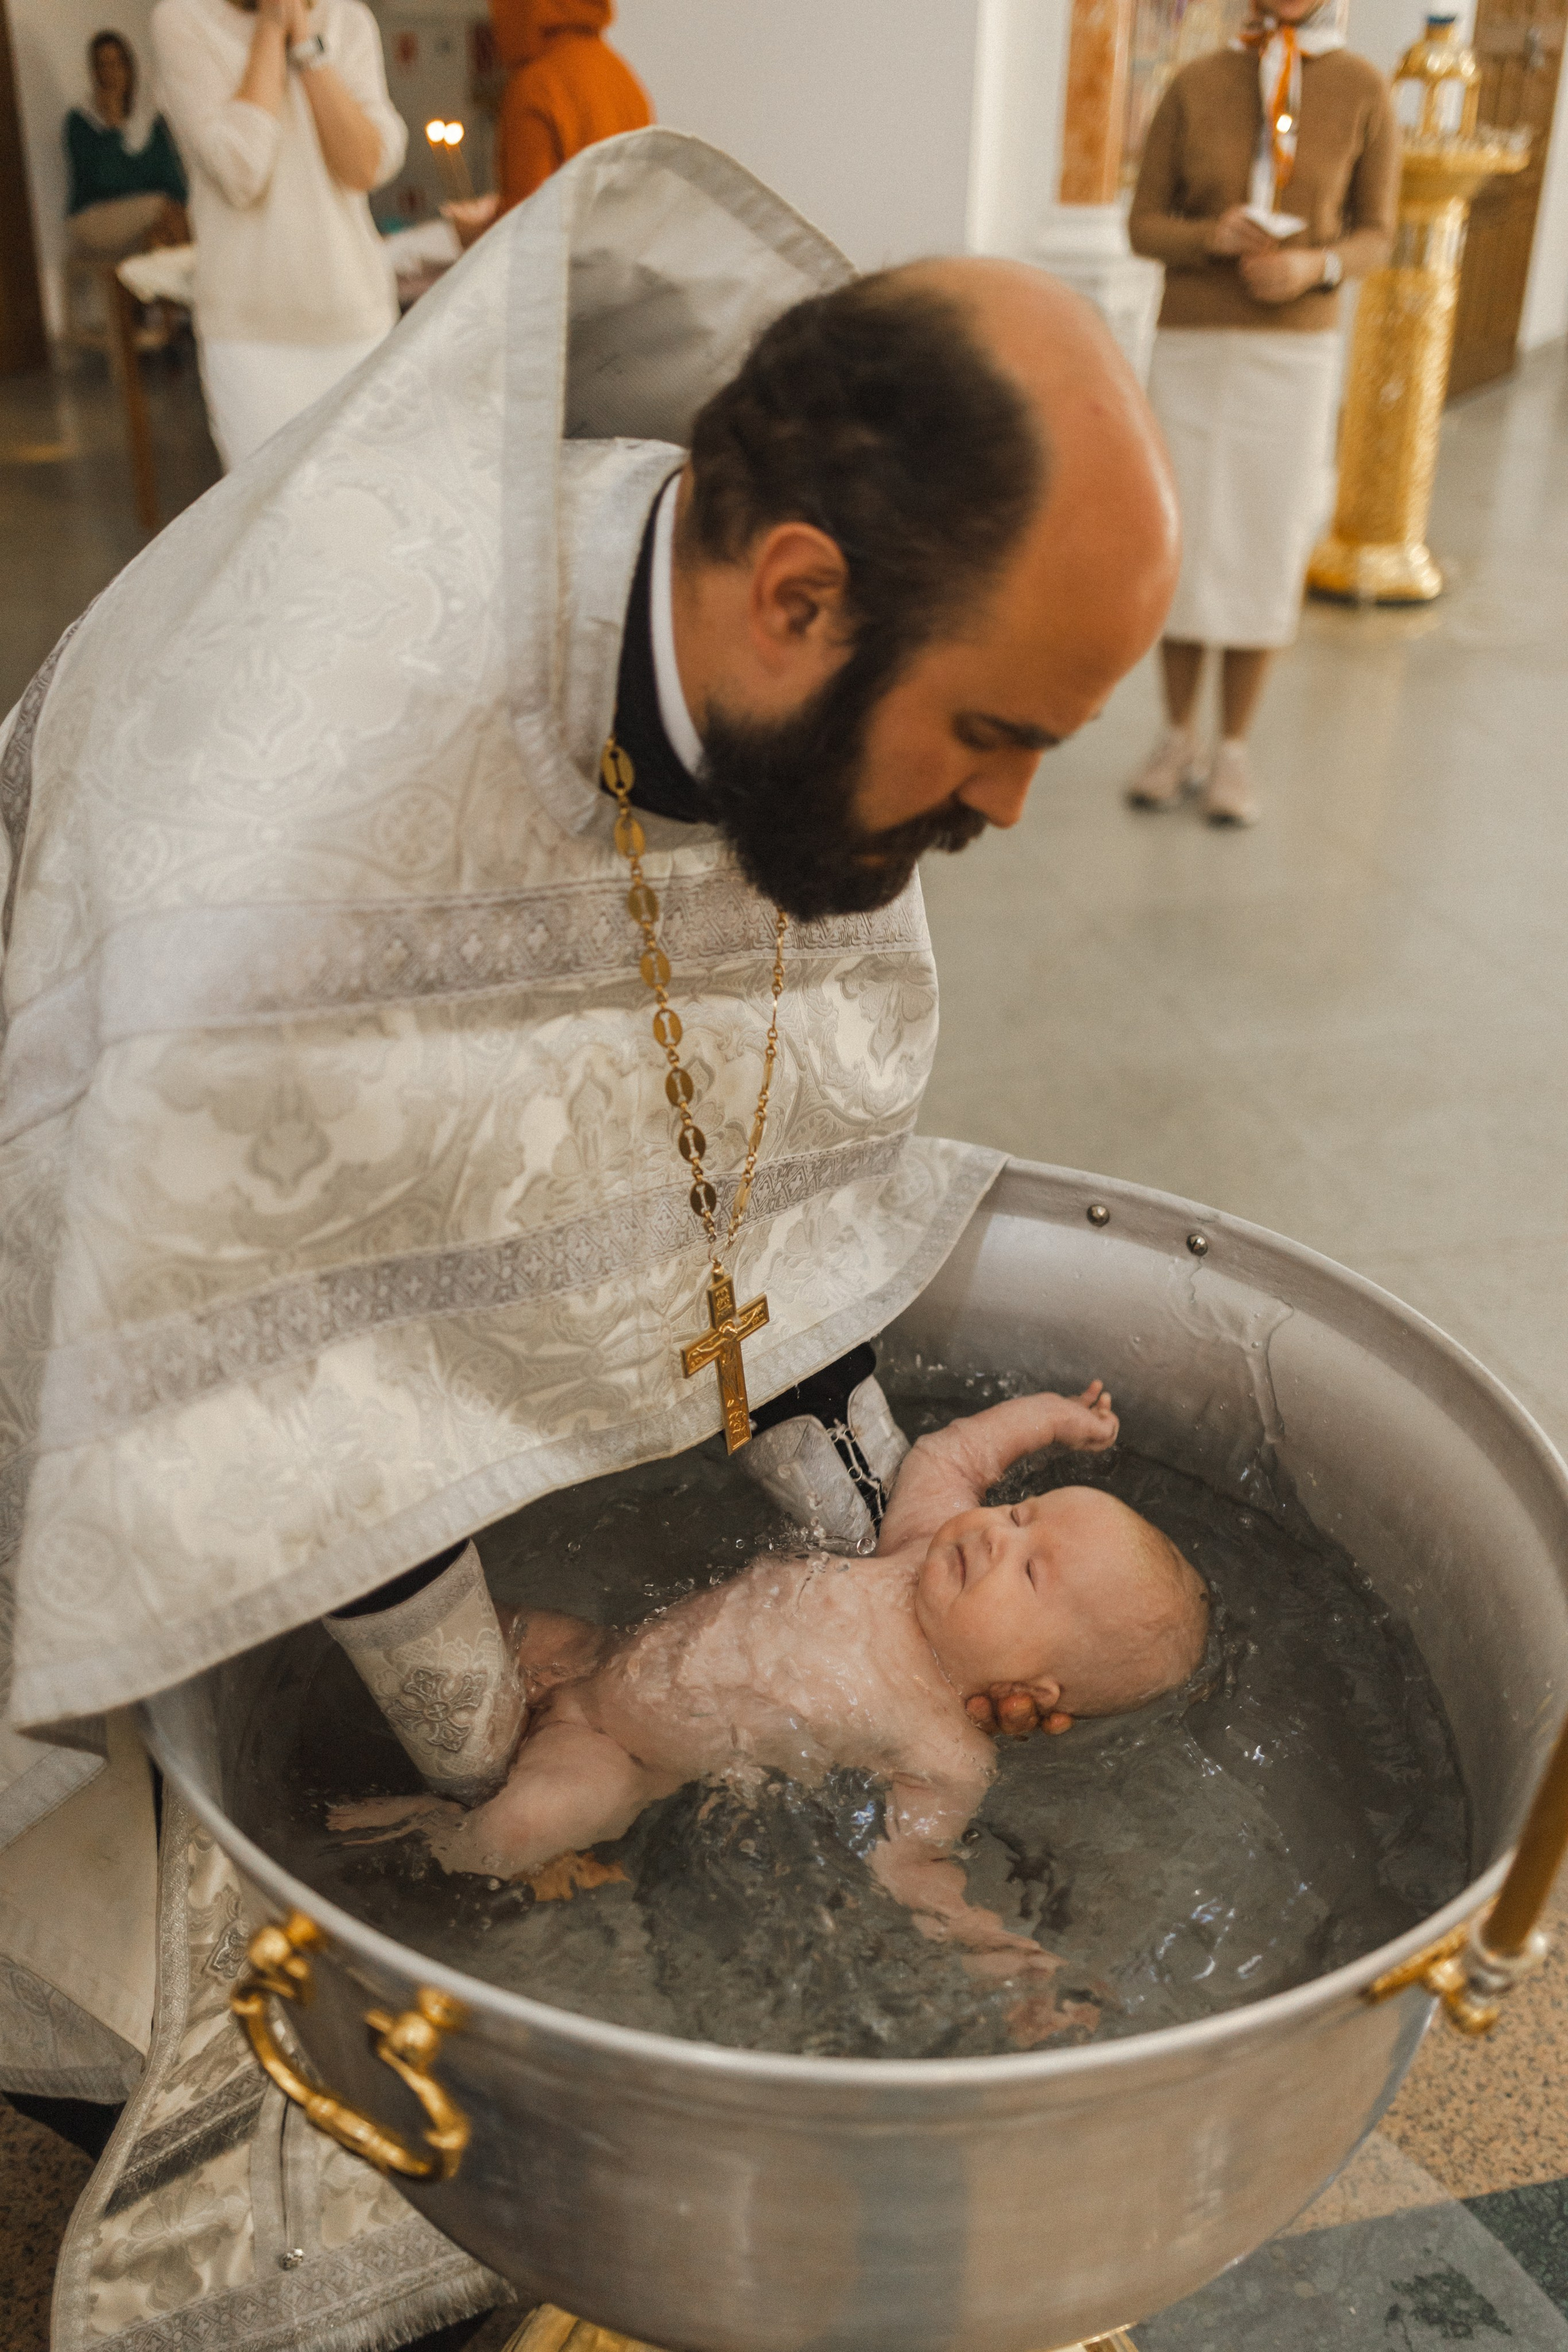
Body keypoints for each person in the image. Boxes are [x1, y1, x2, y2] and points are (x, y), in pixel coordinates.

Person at [0, 134, 1176, 2109]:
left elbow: (762, 1137)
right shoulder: (304, 829)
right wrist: (492, 1773)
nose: (1010, 811)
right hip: (96, 1251)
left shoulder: (748, 659)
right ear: (799, 595)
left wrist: (911, 1599)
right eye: (997, 733)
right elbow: (290, 1390)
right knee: (189, 2001)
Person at [331, 1381, 1208, 2043]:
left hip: (622, 1752)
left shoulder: (946, 1751)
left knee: (518, 1832)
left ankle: (428, 1829)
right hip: (598, 1653)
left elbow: (912, 1866)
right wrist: (1054, 1419)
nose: (996, 1533)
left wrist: (998, 1953)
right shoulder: (916, 1548)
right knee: (448, 1634)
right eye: (1023, 1513)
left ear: (1036, 1686)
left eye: (1029, 1571)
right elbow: (953, 1456)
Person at [1125, 0, 1397, 826]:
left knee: (1262, 544)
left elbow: (1378, 234)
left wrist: (1316, 265)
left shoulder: (1361, 88)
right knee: (1189, 544)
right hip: (1194, 348)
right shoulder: (1195, 81)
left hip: (1294, 355)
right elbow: (1143, 227)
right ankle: (1176, 737)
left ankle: (1233, 750)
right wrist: (1212, 237)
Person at [150, 0, 407, 469]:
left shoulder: (348, 21)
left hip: (355, 318)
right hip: (252, 336)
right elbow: (240, 169)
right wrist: (272, 28)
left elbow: (363, 165)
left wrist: (307, 45)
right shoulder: (184, 20)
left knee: (365, 516)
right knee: (269, 523)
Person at [444, 0, 650, 248]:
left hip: (568, 279)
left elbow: (526, 231)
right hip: (622, 272)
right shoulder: (621, 75)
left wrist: (476, 235)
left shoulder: (536, 87)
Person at [64, 30, 189, 254]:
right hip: (93, 217)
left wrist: (185, 207)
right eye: (104, 65)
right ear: (95, 73)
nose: (112, 73)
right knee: (160, 207)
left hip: (149, 211)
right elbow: (107, 181)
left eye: (118, 63)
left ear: (130, 68)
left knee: (176, 221)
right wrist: (113, 126)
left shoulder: (148, 118)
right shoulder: (81, 122)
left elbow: (171, 177)